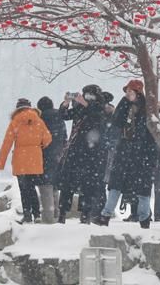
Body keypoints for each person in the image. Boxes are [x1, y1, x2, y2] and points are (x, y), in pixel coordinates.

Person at [97, 80, 157, 228]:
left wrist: (149, 155)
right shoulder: (124, 106)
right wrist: (124, 103)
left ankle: (144, 218)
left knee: (143, 189)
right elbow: (116, 122)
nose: (127, 94)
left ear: (137, 92)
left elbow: (150, 133)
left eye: (130, 92)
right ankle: (105, 215)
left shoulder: (147, 109)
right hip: (124, 150)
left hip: (142, 153)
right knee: (115, 185)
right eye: (126, 92)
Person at [56, 85, 108, 224]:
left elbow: (97, 117)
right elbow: (63, 116)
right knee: (68, 183)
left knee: (88, 184)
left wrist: (85, 104)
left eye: (90, 95)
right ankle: (62, 213)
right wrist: (66, 103)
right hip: (76, 150)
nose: (87, 98)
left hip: (92, 153)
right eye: (85, 95)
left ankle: (85, 214)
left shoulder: (101, 108)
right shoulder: (79, 108)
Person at [0, 98, 52, 223]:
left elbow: (7, 143)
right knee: (32, 188)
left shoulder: (16, 122)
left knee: (24, 189)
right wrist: (38, 146)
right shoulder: (39, 121)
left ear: (18, 108)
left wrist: (0, 163)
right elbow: (48, 138)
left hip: (20, 160)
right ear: (29, 107)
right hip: (35, 160)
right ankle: (37, 214)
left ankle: (27, 215)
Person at [37, 96, 67, 221]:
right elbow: (64, 135)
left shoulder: (41, 118)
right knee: (54, 184)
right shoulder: (60, 116)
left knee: (46, 183)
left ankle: (48, 216)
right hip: (59, 153)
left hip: (45, 153)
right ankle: (56, 212)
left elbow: (39, 137)